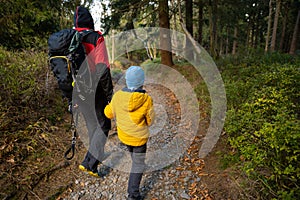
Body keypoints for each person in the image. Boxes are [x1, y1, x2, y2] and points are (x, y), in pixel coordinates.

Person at [73, 6, 113, 177]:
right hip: (95, 89)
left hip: (78, 90)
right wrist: (111, 95)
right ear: (90, 21)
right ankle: (90, 162)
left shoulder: (70, 38)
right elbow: (102, 69)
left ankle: (99, 153)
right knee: (104, 123)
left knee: (92, 123)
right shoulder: (95, 37)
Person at [104, 66, 155, 200]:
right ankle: (133, 194)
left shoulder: (117, 96)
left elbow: (108, 113)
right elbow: (150, 121)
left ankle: (137, 162)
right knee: (138, 165)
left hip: (124, 136)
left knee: (134, 154)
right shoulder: (147, 99)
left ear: (126, 81)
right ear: (142, 82)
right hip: (139, 138)